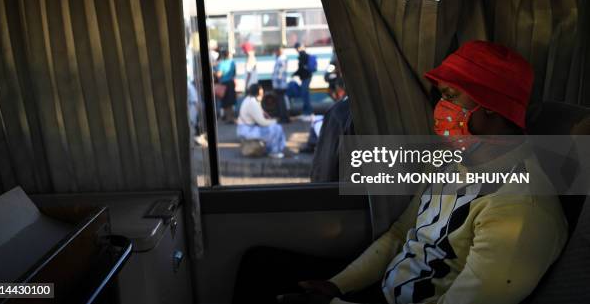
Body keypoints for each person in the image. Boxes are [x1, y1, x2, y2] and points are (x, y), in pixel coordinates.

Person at [233, 40, 568, 304]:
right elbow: (398, 236)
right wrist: (336, 286)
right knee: (260, 265)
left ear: (493, 108)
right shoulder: (452, 161)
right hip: (387, 287)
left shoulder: (521, 209)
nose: (440, 109)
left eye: (451, 96)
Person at [237, 84, 287, 159]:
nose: (263, 93)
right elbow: (262, 122)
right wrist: (274, 121)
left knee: (276, 127)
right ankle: (273, 151)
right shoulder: (252, 103)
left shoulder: (249, 99)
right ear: (258, 92)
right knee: (276, 128)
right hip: (247, 130)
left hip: (244, 129)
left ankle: (275, 150)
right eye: (261, 91)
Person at [215, 48, 237, 124]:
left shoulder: (222, 64)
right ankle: (231, 118)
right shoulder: (232, 63)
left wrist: (215, 73)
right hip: (231, 83)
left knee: (226, 102)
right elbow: (234, 73)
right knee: (231, 102)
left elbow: (219, 74)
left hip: (224, 84)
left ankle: (228, 118)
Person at [293, 42, 313, 121]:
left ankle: (308, 114)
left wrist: (295, 74)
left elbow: (301, 69)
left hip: (306, 78)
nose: (296, 50)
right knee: (305, 95)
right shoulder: (305, 55)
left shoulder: (302, 55)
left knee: (305, 96)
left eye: (296, 48)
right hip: (306, 78)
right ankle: (306, 113)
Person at [272, 46, 290, 123]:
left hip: (280, 85)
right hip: (280, 84)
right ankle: (284, 117)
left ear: (279, 51)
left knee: (281, 102)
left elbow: (281, 71)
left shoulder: (281, 59)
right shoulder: (281, 58)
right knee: (282, 101)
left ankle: (284, 118)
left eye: (276, 51)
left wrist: (278, 81)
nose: (274, 53)